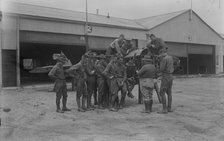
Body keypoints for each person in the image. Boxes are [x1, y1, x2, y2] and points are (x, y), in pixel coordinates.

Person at [157, 48, 174, 114]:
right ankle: (169, 108)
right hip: (171, 76)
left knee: (162, 92)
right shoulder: (170, 57)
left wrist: (159, 61)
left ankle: (164, 109)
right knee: (169, 92)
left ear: (162, 53)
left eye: (160, 54)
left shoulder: (164, 59)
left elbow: (161, 69)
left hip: (165, 76)